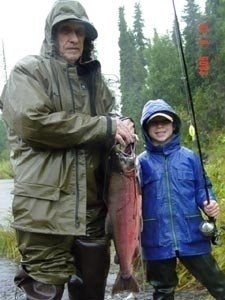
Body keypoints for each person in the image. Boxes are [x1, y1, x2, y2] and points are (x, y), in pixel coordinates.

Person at [0, 1, 135, 299]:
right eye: (65, 30)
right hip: (44, 214)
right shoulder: (28, 71)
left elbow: (110, 122)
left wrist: (122, 127)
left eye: (80, 32)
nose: (73, 38)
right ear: (52, 35)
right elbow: (32, 123)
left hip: (92, 214)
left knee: (91, 293)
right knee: (45, 293)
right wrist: (104, 127)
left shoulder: (96, 82)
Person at [138, 99, 225, 299]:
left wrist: (208, 202)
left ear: (174, 125)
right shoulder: (139, 163)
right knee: (163, 290)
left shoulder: (190, 157)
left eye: (164, 122)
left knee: (218, 283)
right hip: (155, 239)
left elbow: (204, 188)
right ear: (146, 127)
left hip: (192, 234)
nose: (160, 127)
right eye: (154, 123)